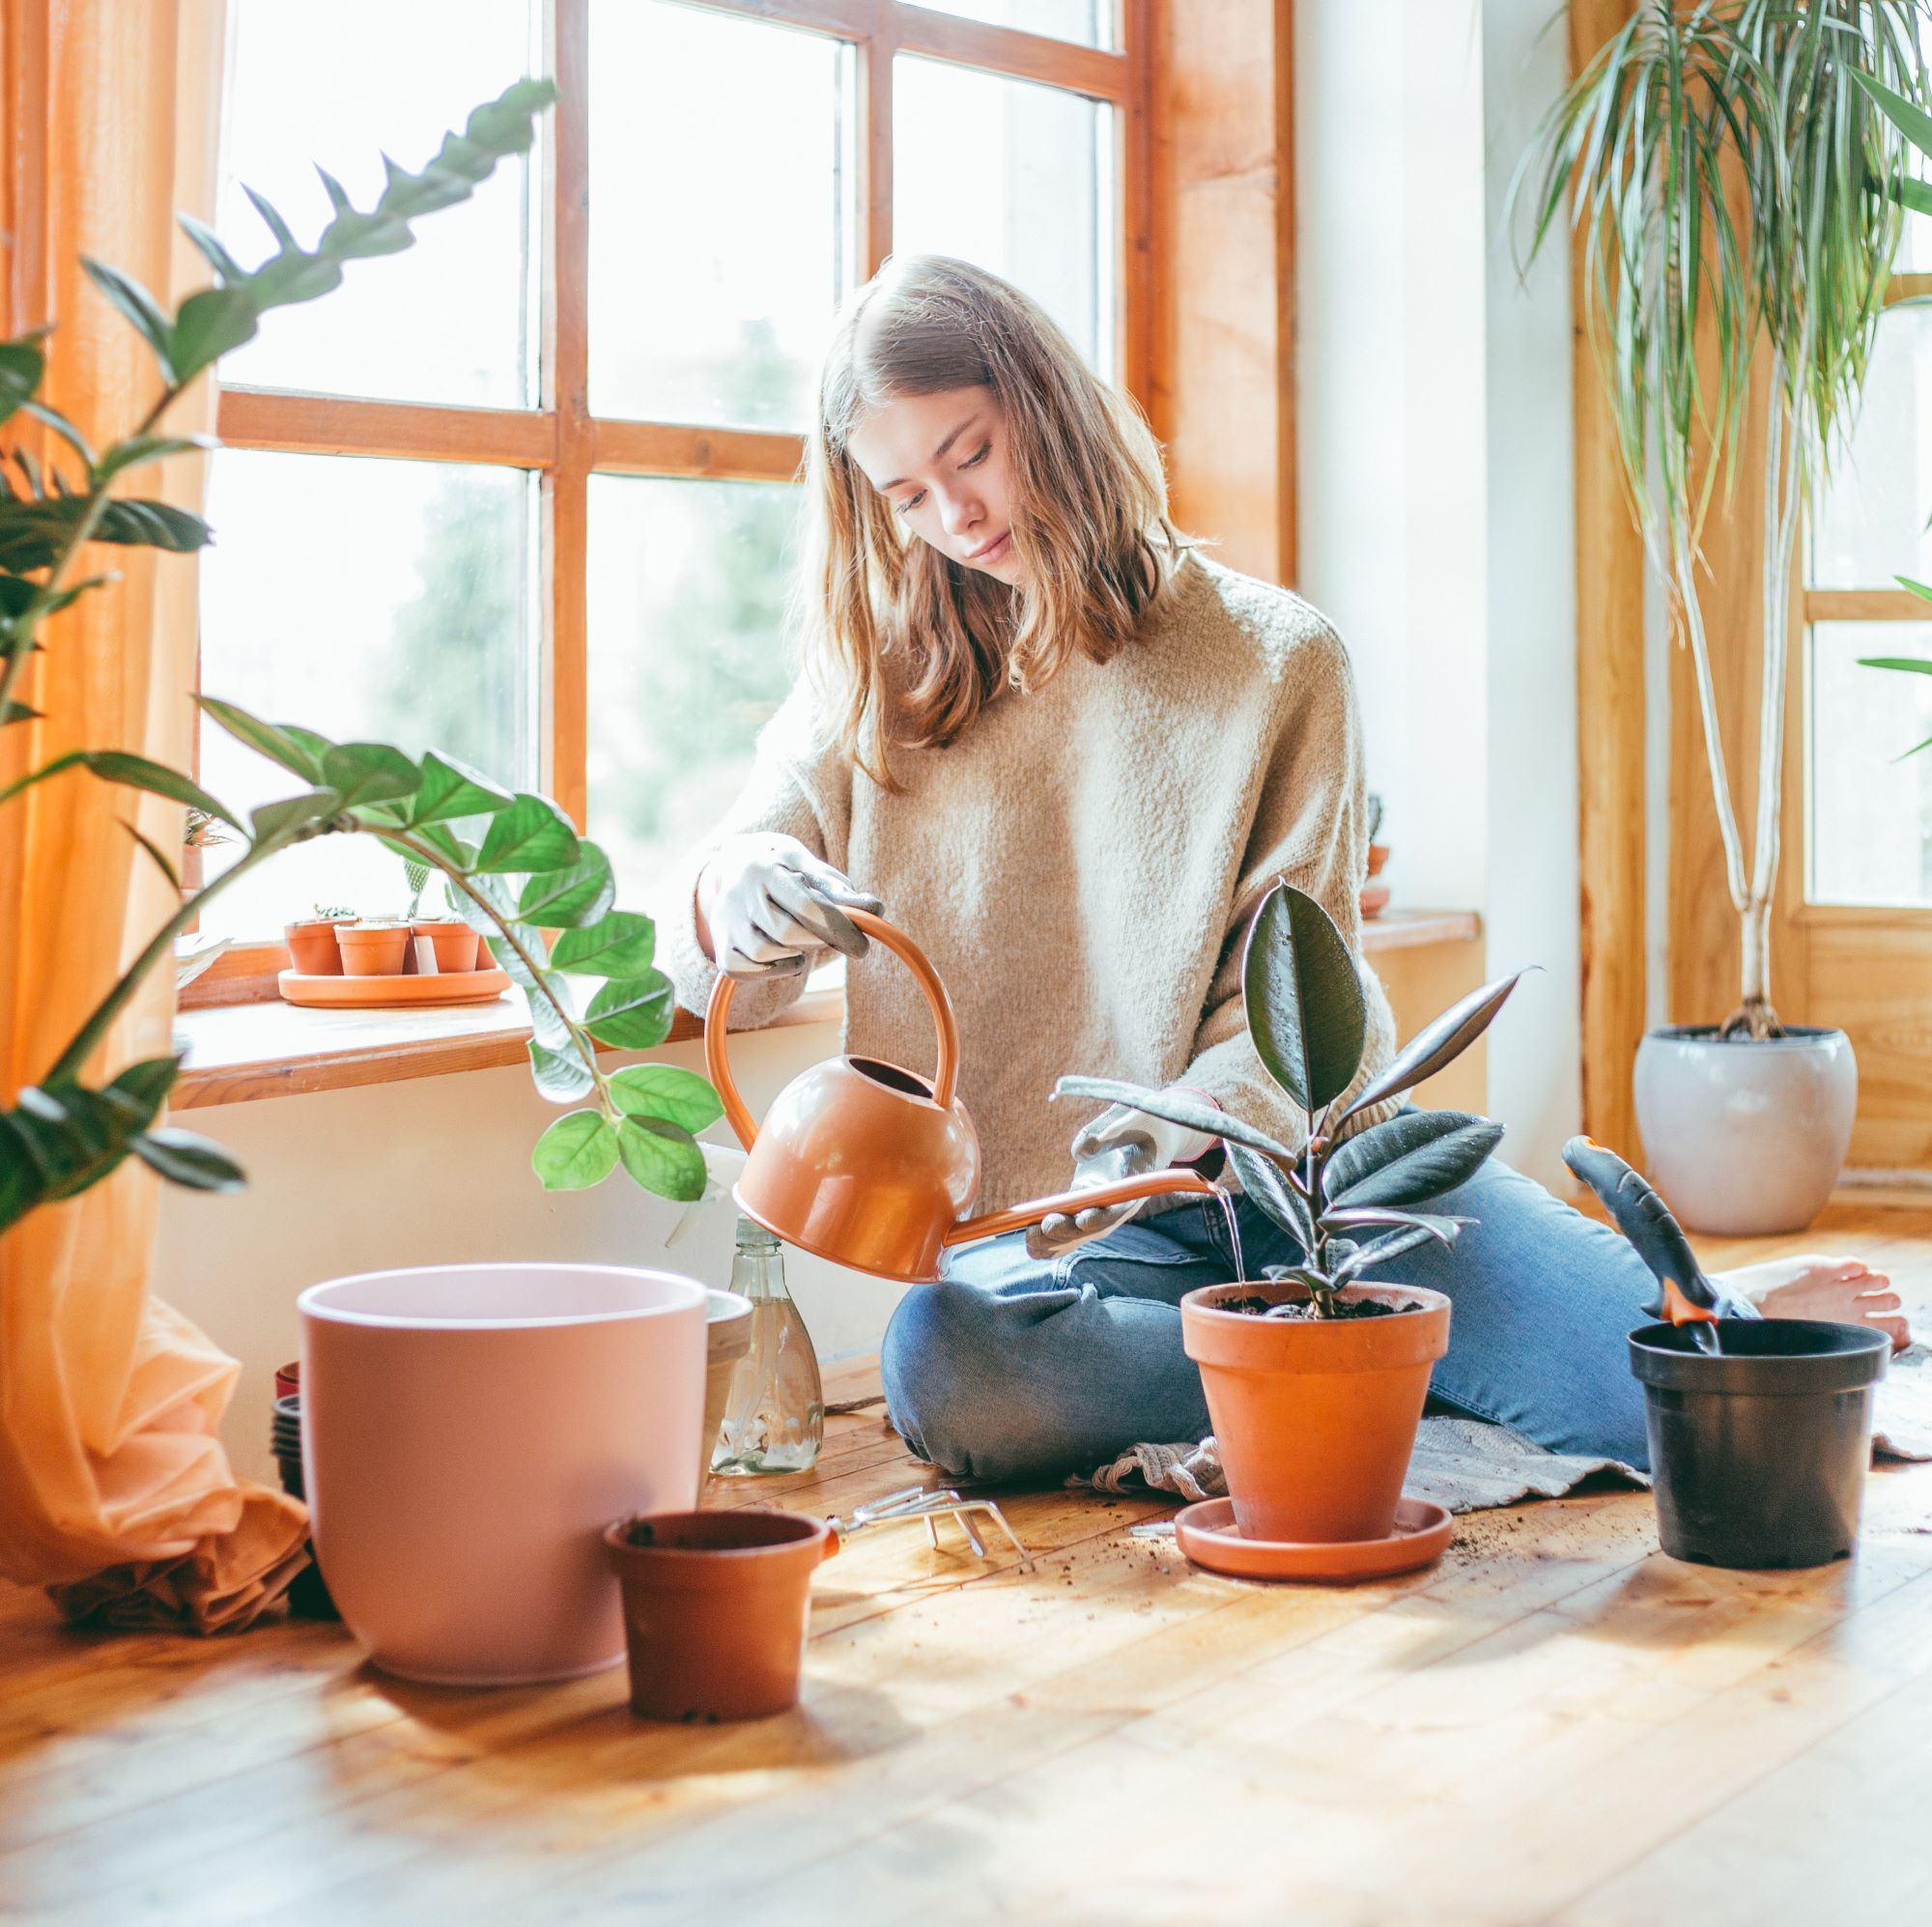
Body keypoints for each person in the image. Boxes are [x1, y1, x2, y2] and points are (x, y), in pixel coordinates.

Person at [668, 255, 1909, 1486]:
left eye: (969, 454)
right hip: (1060, 1259)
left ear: (1044, 408)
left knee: (1707, 1409)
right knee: (949, 1370)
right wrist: (740, 890)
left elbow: (1295, 1013)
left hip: (1310, 1191)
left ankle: (1428, 1335)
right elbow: (740, 922)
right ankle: (1369, 1360)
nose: (955, 518)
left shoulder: (1275, 657)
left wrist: (1176, 1138)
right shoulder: (870, 682)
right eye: (904, 495)